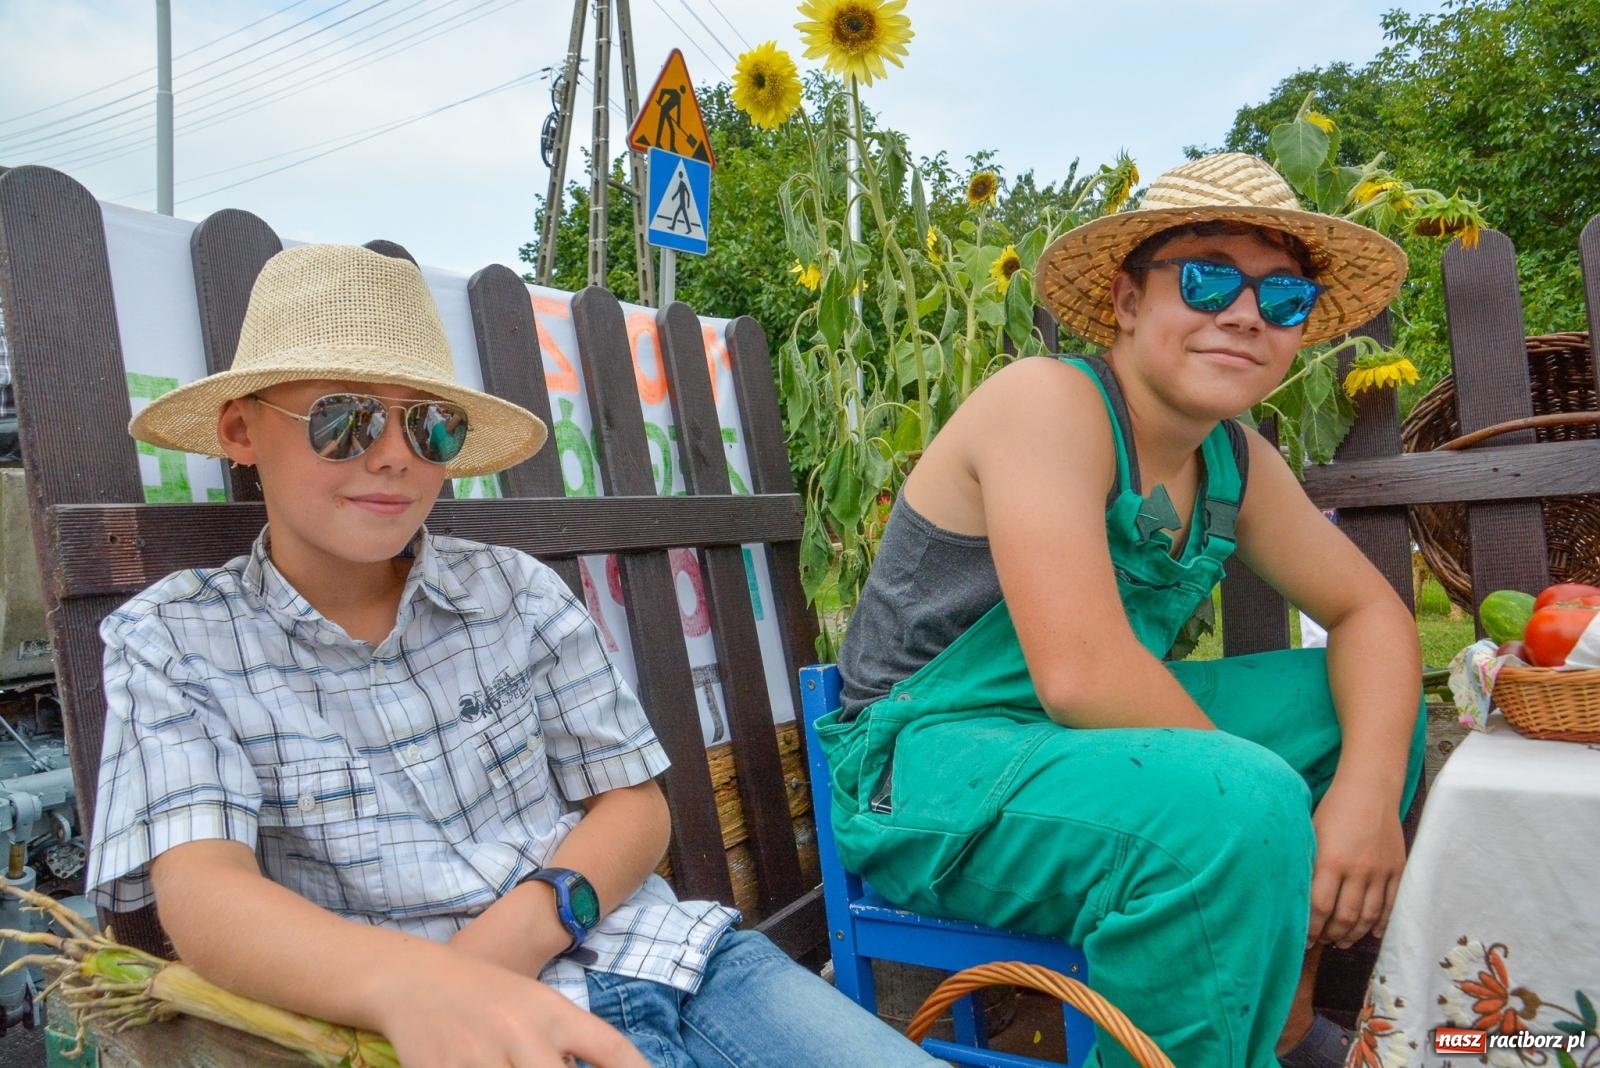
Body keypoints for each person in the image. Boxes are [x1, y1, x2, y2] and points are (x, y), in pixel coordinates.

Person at [85, 244, 934, 1068]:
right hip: (443, 1036)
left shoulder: (512, 591)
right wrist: (421, 988)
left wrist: (513, 936)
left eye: (431, 424)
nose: (392, 454)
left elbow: (634, 806)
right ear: (240, 430)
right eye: (343, 419)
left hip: (662, 956)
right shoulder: (176, 641)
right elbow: (204, 895)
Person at [816, 153, 1428, 1068]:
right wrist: (1281, 829)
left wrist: (1368, 799)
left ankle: (1281, 1014)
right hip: (925, 767)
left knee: (1364, 714)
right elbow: (1083, 673)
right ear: (1129, 299)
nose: (1245, 313)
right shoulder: (1048, 402)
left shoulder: (1237, 462)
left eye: (1284, 297)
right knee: (1238, 807)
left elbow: (1370, 616)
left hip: (1077, 752)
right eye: (1208, 276)